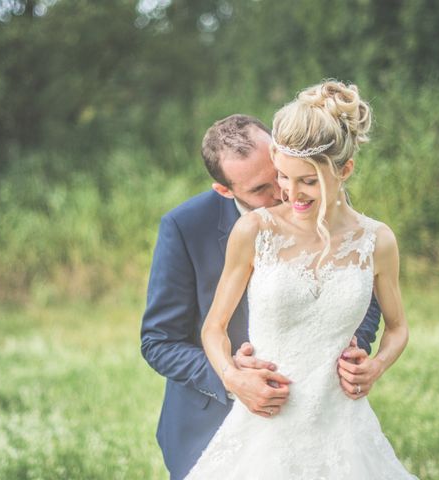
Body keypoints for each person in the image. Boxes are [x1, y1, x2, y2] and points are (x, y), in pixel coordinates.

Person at [185, 81, 416, 478]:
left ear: (345, 170)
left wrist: (375, 367)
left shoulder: (377, 241)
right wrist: (234, 377)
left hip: (342, 429)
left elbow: (397, 329)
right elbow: (213, 329)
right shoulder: (254, 232)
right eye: (283, 177)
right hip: (266, 426)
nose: (291, 193)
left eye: (308, 180)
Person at [141, 113, 382, 479]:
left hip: (318, 410)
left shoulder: (314, 197)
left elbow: (361, 288)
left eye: (280, 174)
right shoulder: (184, 227)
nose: (284, 193)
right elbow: (158, 341)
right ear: (225, 190)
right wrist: (233, 378)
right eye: (260, 189)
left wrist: (349, 353)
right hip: (210, 420)